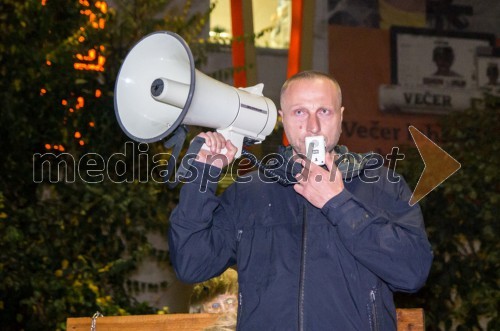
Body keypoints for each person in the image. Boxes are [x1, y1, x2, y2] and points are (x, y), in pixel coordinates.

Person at [168, 70, 433, 330]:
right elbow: (192, 263)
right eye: (299, 112)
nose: (313, 125)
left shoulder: (383, 185)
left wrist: (338, 202)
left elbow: (412, 272)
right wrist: (202, 175)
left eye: (324, 111)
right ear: (282, 119)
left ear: (341, 117)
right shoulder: (249, 192)